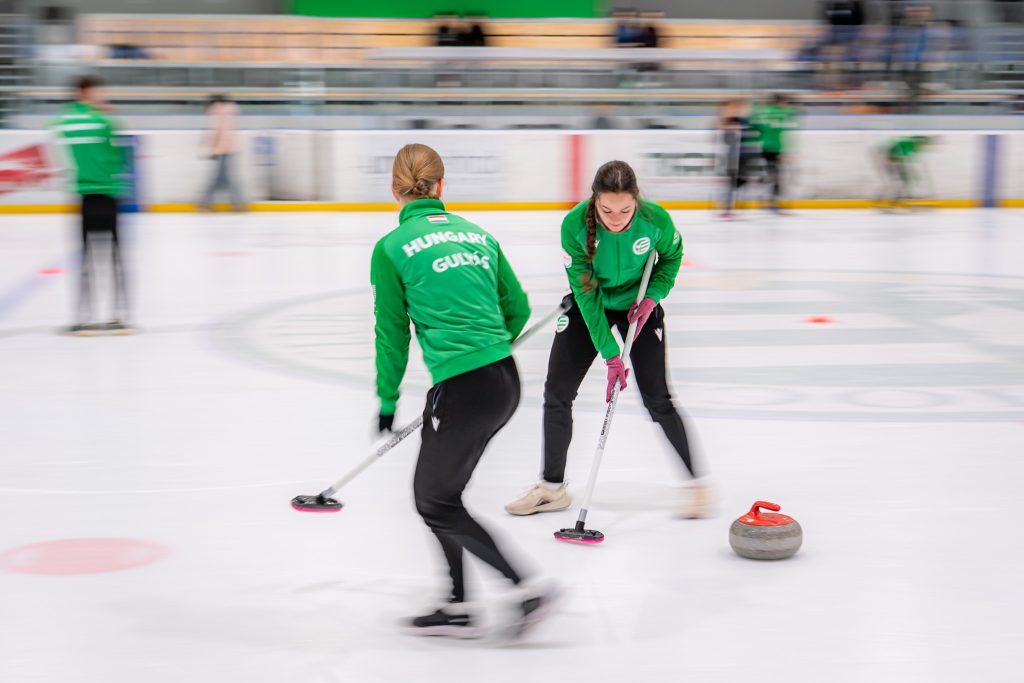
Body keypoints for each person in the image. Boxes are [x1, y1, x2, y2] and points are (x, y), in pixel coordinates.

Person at [371, 143, 559, 639]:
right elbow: (516, 310)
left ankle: (526, 587)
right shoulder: (479, 236)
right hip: (503, 381)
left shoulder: (391, 248)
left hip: (464, 388)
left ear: (394, 191)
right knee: (442, 497)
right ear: (441, 186)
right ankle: (457, 604)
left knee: (435, 502)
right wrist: (486, 350)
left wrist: (387, 402)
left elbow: (391, 335)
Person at [505, 160, 708, 519]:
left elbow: (672, 257)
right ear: (594, 201)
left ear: (637, 202)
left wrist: (653, 297)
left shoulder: (656, 220)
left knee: (658, 400)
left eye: (625, 209)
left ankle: (696, 485)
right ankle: (552, 489)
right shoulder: (574, 226)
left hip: (638, 308)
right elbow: (585, 295)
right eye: (606, 209)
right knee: (557, 393)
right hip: (590, 308)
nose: (616, 218)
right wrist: (611, 355)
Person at [52, 75, 133, 336]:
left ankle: (82, 319)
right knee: (115, 258)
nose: (101, 96)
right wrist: (110, 118)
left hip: (84, 197)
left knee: (85, 258)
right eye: (98, 92)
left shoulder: (63, 121)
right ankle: (118, 317)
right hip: (108, 194)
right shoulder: (104, 120)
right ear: (86, 93)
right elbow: (119, 157)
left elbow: (60, 152)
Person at [751, 93, 798, 213]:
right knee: (776, 177)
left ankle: (763, 190)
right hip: (775, 149)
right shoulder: (781, 113)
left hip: (764, 147)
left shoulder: (763, 112)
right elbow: (792, 118)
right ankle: (772, 201)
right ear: (780, 102)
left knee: (772, 174)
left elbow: (757, 127)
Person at [198, 94, 244, 212]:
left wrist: (213, 149)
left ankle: (205, 203)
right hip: (231, 148)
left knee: (220, 179)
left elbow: (216, 132)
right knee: (226, 179)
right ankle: (237, 204)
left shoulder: (217, 113)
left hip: (222, 150)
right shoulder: (230, 112)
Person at [716, 98, 759, 219]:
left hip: (744, 156)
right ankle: (726, 207)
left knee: (742, 181)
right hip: (732, 157)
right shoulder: (727, 121)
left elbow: (753, 135)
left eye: (738, 107)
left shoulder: (746, 121)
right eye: (733, 107)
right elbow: (725, 138)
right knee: (731, 183)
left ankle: (728, 204)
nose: (736, 109)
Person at [879, 135, 931, 209]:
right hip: (892, 162)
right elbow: (895, 149)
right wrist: (894, 157)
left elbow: (906, 158)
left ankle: (895, 200)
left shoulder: (914, 148)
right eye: (922, 144)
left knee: (904, 181)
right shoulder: (909, 144)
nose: (922, 146)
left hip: (896, 163)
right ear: (918, 142)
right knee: (898, 182)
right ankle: (889, 201)